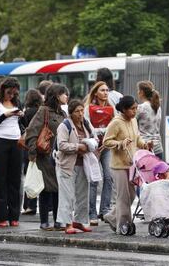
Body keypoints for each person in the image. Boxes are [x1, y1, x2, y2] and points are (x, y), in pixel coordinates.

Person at [103, 96, 153, 234]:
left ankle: (112, 217)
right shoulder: (116, 122)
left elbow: (136, 137)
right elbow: (106, 141)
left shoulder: (133, 121)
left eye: (136, 108)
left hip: (132, 164)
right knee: (123, 197)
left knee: (131, 196)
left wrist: (144, 144)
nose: (135, 111)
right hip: (118, 165)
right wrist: (119, 143)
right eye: (132, 109)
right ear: (124, 109)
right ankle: (123, 226)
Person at [25, 84, 69, 230]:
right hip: (44, 155)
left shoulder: (63, 113)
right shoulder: (43, 111)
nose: (66, 96)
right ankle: (44, 222)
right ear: (56, 95)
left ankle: (57, 221)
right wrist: (32, 153)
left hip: (60, 156)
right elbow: (32, 131)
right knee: (46, 189)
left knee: (58, 189)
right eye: (63, 94)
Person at [0, 77, 24, 227]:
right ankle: (1, 217)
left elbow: (23, 123)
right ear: (3, 90)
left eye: (14, 93)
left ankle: (14, 216)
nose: (11, 96)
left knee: (15, 180)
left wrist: (21, 115)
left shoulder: (17, 102)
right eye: (9, 93)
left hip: (16, 141)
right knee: (0, 180)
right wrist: (4, 115)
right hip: (0, 141)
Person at [55, 99, 96, 234]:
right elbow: (61, 145)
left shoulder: (86, 124)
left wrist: (91, 143)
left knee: (83, 195)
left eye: (81, 110)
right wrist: (78, 147)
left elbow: (95, 137)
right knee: (67, 195)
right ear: (71, 113)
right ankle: (67, 224)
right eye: (77, 111)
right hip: (67, 165)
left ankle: (79, 221)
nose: (80, 114)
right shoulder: (64, 125)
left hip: (84, 164)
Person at [84, 81, 115, 226]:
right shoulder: (88, 108)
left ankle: (105, 210)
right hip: (94, 147)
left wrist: (107, 134)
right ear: (96, 92)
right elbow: (87, 127)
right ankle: (91, 212)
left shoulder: (111, 108)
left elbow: (115, 125)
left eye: (107, 90)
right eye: (102, 90)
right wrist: (101, 132)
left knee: (109, 177)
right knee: (94, 179)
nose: (105, 93)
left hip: (107, 146)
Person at [21, 89, 43, 216]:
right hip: (41, 145)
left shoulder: (27, 113)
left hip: (29, 146)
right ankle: (46, 204)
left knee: (29, 175)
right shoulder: (41, 111)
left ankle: (29, 205)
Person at [136, 81, 163, 159]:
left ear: (141, 92)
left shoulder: (141, 107)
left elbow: (132, 123)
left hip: (145, 146)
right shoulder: (158, 107)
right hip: (158, 147)